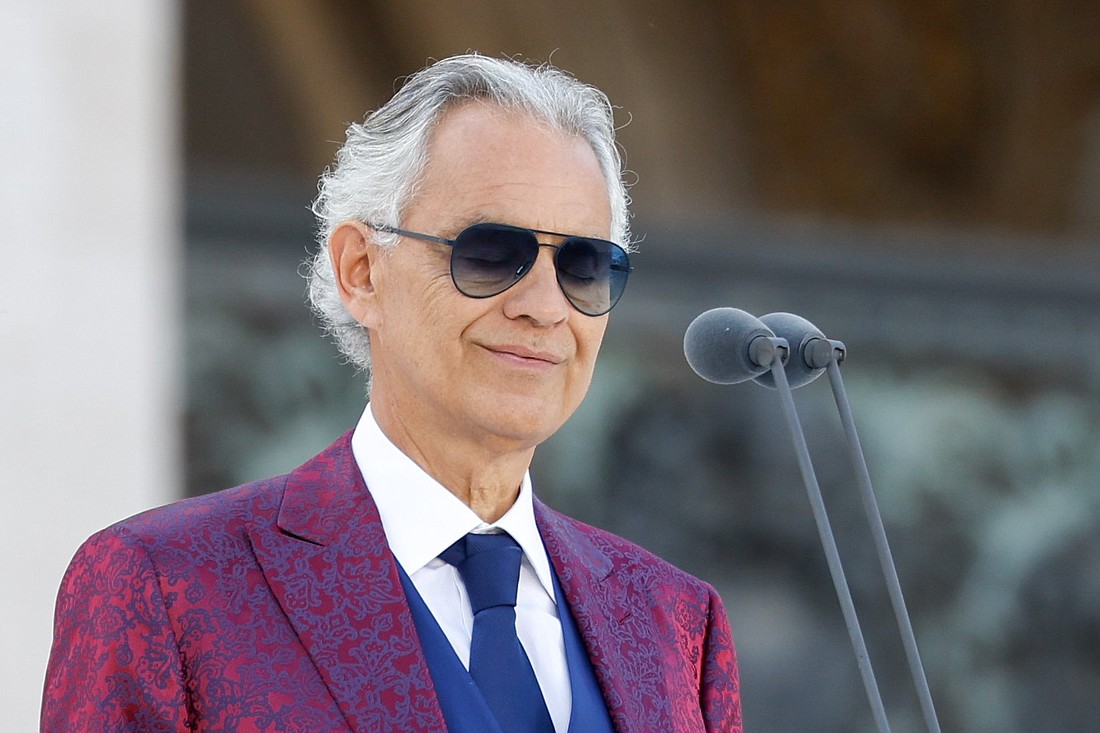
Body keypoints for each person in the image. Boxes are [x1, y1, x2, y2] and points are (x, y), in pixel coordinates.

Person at [42, 54, 742, 732]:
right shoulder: (165, 586)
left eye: (585, 266)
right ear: (361, 270)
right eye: (491, 252)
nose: (545, 307)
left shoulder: (675, 620)